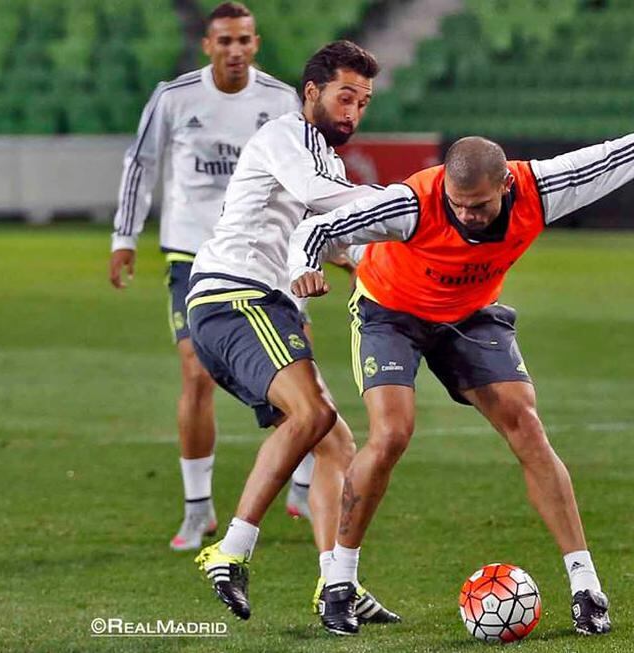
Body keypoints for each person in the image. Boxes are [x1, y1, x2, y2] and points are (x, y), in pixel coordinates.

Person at [288, 86, 634, 635]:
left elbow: (624, 153)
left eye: (480, 206)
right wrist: (304, 265)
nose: (467, 216)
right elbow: (318, 228)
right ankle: (339, 582)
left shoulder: (543, 186)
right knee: (392, 433)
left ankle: (587, 588)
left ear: (506, 185)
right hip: (390, 312)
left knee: (527, 427)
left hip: (469, 313)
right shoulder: (414, 202)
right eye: (459, 205)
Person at [188, 40, 398, 626]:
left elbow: (332, 237)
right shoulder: (287, 138)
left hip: (256, 300)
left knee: (335, 442)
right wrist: (412, 205)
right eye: (344, 96)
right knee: (312, 416)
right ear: (312, 92)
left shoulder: (324, 160)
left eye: (364, 101)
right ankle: (230, 551)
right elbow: (318, 201)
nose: (354, 111)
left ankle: (338, 584)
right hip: (236, 295)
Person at [107, 2, 315, 552]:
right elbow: (140, 163)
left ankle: (304, 486)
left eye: (243, 40)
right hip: (192, 255)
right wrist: (124, 237)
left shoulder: (280, 100)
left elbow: (302, 176)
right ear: (208, 45)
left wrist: (313, 245)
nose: (234, 50)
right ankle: (198, 509)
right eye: (224, 41)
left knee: (301, 366)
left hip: (265, 256)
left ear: (256, 42)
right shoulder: (174, 98)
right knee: (196, 372)